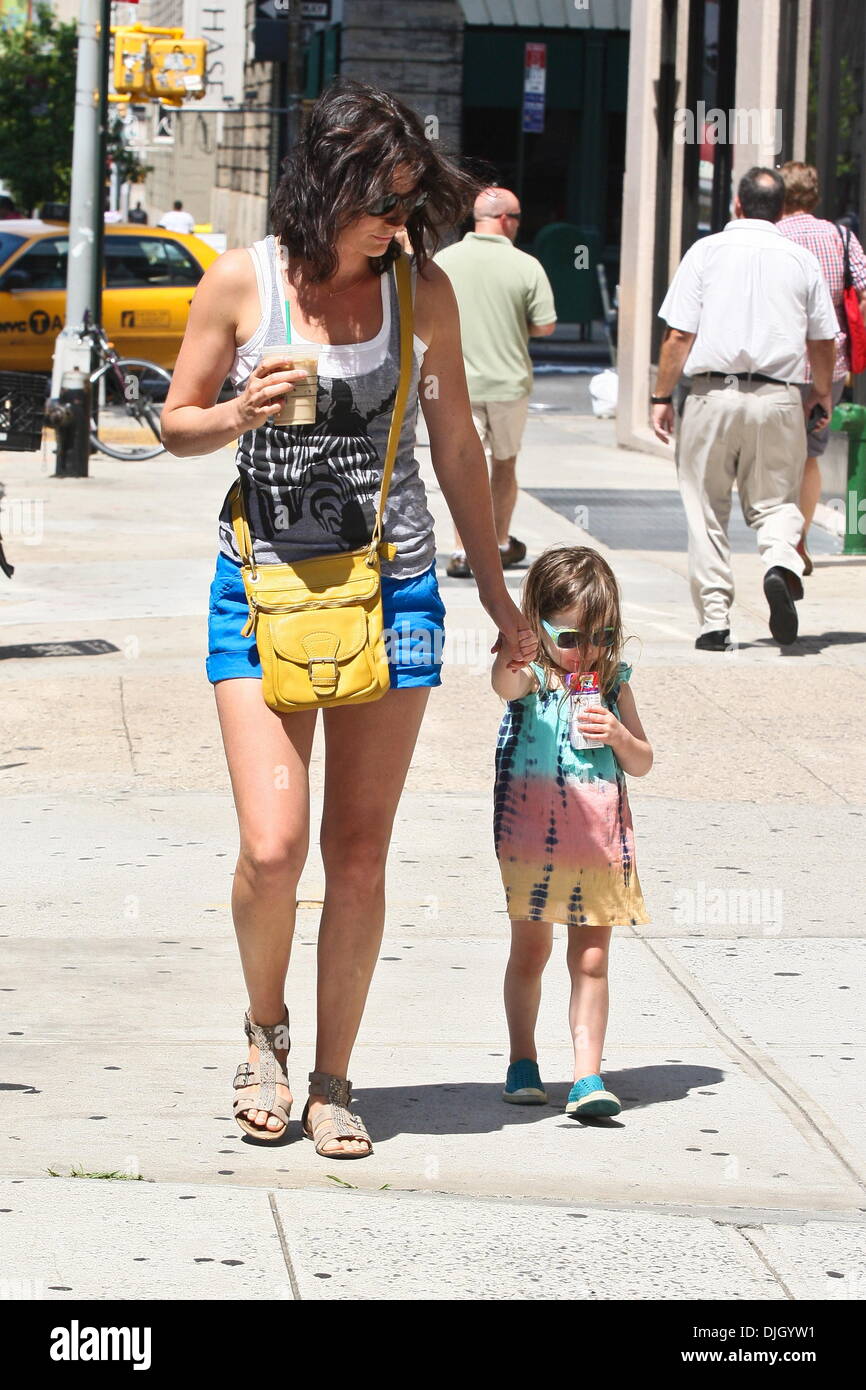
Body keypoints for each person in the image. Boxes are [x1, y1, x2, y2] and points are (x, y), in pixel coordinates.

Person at [160, 78, 536, 1159]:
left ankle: (332, 1076)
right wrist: (238, 409)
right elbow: (176, 421)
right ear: (323, 186)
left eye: (410, 202)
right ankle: (262, 1032)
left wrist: (500, 599)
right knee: (273, 848)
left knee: (358, 854)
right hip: (264, 584)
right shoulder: (243, 285)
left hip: (397, 590)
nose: (396, 223)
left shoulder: (423, 291)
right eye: (382, 199)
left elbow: (458, 448)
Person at [491, 545, 652, 1117]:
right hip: (533, 841)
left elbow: (643, 761)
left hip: (598, 845)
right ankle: (523, 1060)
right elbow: (503, 687)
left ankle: (587, 1075)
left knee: (591, 960)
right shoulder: (533, 678)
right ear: (539, 630)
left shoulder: (611, 685)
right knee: (530, 952)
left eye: (602, 637)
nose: (587, 651)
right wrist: (515, 653)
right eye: (571, 638)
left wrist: (618, 735)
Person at [653, 167, 838, 650]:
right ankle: (780, 560)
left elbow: (678, 335)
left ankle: (715, 622)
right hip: (778, 396)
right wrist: (821, 391)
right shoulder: (801, 259)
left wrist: (660, 395)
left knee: (705, 508)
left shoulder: (705, 252)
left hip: (713, 394)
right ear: (781, 211)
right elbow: (823, 339)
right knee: (776, 502)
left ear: (737, 205)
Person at [434, 186, 557, 579]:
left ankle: (461, 549)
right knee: (503, 465)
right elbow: (545, 325)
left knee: (460, 465)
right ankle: (500, 542)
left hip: (455, 384)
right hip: (508, 384)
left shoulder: (443, 261)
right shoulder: (527, 266)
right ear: (505, 219)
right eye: (518, 218)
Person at [778, 161, 866, 574]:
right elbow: (862, 296)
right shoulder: (842, 237)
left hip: (776, 366)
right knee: (810, 458)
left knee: (777, 458)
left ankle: (778, 542)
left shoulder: (772, 236)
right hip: (828, 368)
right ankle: (799, 540)